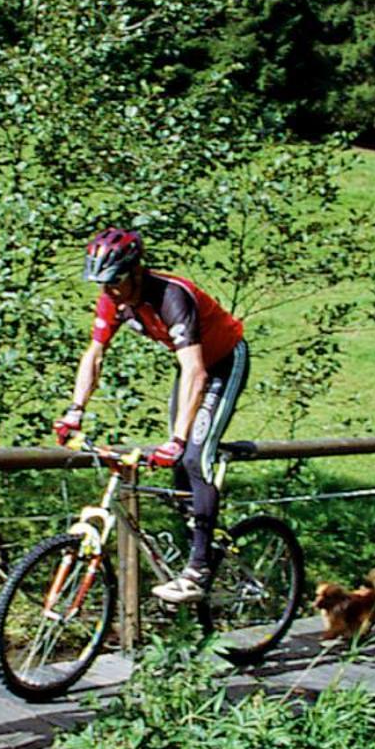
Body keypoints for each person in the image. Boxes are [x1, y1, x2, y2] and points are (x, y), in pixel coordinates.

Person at [55, 227, 249, 604]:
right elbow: (94, 355)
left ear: (136, 271)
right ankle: (206, 542)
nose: (109, 291)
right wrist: (74, 411)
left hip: (222, 363)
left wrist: (177, 439)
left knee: (193, 455)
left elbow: (196, 370)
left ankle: (198, 570)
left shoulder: (171, 296)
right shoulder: (112, 299)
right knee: (179, 474)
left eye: (115, 282)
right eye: (102, 283)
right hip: (194, 368)